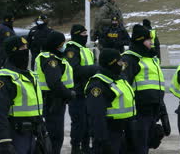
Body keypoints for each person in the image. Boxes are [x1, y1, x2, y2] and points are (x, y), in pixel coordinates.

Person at [122, 24, 169, 154]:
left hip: (152, 110)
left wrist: (163, 111)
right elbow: (123, 85)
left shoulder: (151, 58)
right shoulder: (130, 59)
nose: (151, 43)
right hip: (139, 111)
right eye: (148, 40)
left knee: (147, 144)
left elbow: (157, 87)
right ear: (140, 41)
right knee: (138, 147)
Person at [0, 36, 46, 154]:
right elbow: (0, 113)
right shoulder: (5, 78)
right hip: (16, 134)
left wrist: (43, 131)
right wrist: (4, 141)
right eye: (22, 48)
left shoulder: (31, 75)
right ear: (13, 52)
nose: (26, 51)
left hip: (35, 133)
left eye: (26, 47)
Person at [85, 49, 136, 154]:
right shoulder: (98, 85)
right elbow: (97, 117)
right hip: (109, 134)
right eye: (119, 62)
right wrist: (103, 141)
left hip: (123, 132)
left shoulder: (118, 78)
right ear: (111, 63)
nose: (122, 64)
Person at [35, 31, 76, 154]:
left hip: (54, 99)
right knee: (54, 136)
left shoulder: (53, 57)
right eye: (62, 44)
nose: (64, 46)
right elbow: (54, 83)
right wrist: (69, 94)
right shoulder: (50, 60)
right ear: (55, 44)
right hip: (52, 100)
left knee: (55, 135)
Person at [65, 24, 100, 153]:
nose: (86, 37)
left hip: (88, 91)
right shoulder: (71, 50)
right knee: (79, 123)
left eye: (86, 34)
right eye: (83, 34)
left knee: (88, 123)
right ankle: (76, 147)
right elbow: (74, 69)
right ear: (76, 35)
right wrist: (94, 69)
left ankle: (86, 147)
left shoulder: (86, 50)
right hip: (77, 92)